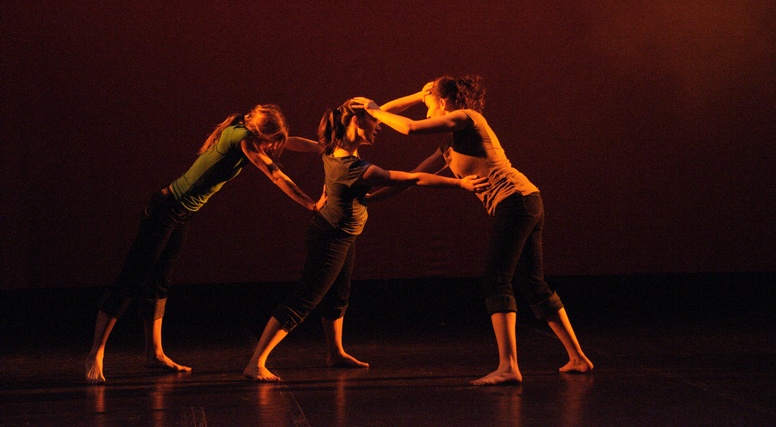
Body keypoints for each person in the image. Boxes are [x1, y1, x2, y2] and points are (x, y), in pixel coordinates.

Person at [352, 75, 593, 386]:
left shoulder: (468, 117)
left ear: (443, 102)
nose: (425, 110)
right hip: (525, 201)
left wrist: (373, 108)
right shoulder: (449, 146)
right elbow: (412, 178)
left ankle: (508, 367)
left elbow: (409, 128)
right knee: (533, 284)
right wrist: (370, 199)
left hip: (516, 201)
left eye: (428, 104)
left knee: (497, 279)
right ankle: (578, 357)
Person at [242, 99, 488, 382]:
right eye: (374, 122)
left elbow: (382, 112)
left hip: (342, 234)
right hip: (331, 235)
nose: (379, 127)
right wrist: (460, 183)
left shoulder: (331, 148)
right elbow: (412, 179)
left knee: (338, 296)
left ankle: (335, 353)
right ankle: (256, 362)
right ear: (357, 123)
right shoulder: (353, 168)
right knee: (305, 298)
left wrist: (418, 96)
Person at [85, 104, 324, 384]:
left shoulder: (245, 131)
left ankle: (154, 353)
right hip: (165, 209)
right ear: (260, 134)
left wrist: (324, 148)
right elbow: (275, 174)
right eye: (272, 141)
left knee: (160, 281)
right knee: (132, 278)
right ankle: (95, 354)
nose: (274, 147)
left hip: (181, 213)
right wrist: (310, 203)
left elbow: (290, 142)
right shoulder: (243, 140)